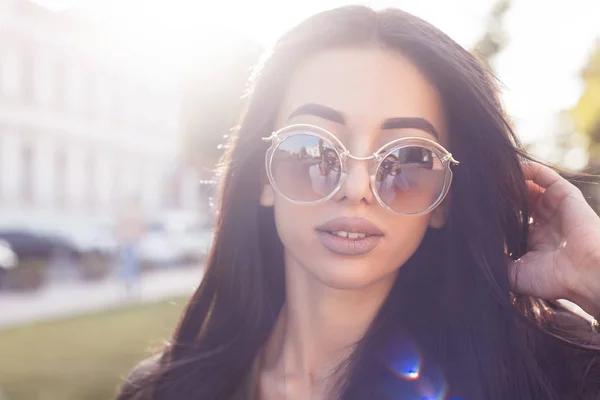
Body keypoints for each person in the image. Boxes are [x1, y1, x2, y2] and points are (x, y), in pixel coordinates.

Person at [116, 6, 600, 400]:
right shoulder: (161, 390)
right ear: (263, 173)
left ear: (444, 201)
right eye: (312, 148)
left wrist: (592, 272)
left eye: (408, 158)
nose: (356, 187)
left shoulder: (552, 377)